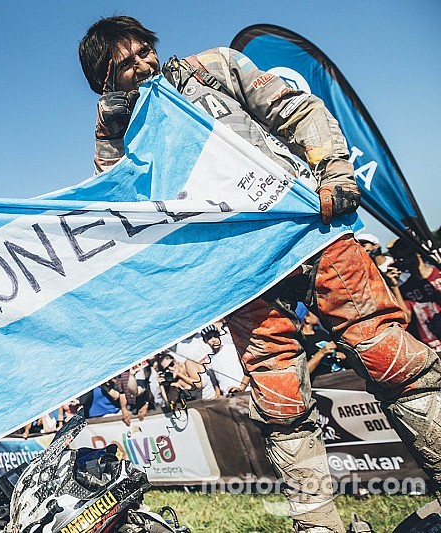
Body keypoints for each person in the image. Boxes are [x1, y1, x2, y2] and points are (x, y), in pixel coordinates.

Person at [79, 16, 441, 532]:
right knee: (279, 396)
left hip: (306, 226)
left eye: (144, 52)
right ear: (104, 81)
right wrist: (113, 129)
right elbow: (119, 208)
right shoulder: (119, 134)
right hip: (240, 267)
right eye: (124, 65)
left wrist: (334, 168)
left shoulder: (212, 66)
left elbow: (296, 108)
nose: (142, 65)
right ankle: (317, 523)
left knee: (387, 351)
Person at [389, 238, 441, 353]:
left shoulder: (438, 274)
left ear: (418, 253)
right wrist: (394, 286)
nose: (408, 261)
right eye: (403, 258)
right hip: (433, 347)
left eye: (410, 255)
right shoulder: (405, 289)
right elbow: (406, 318)